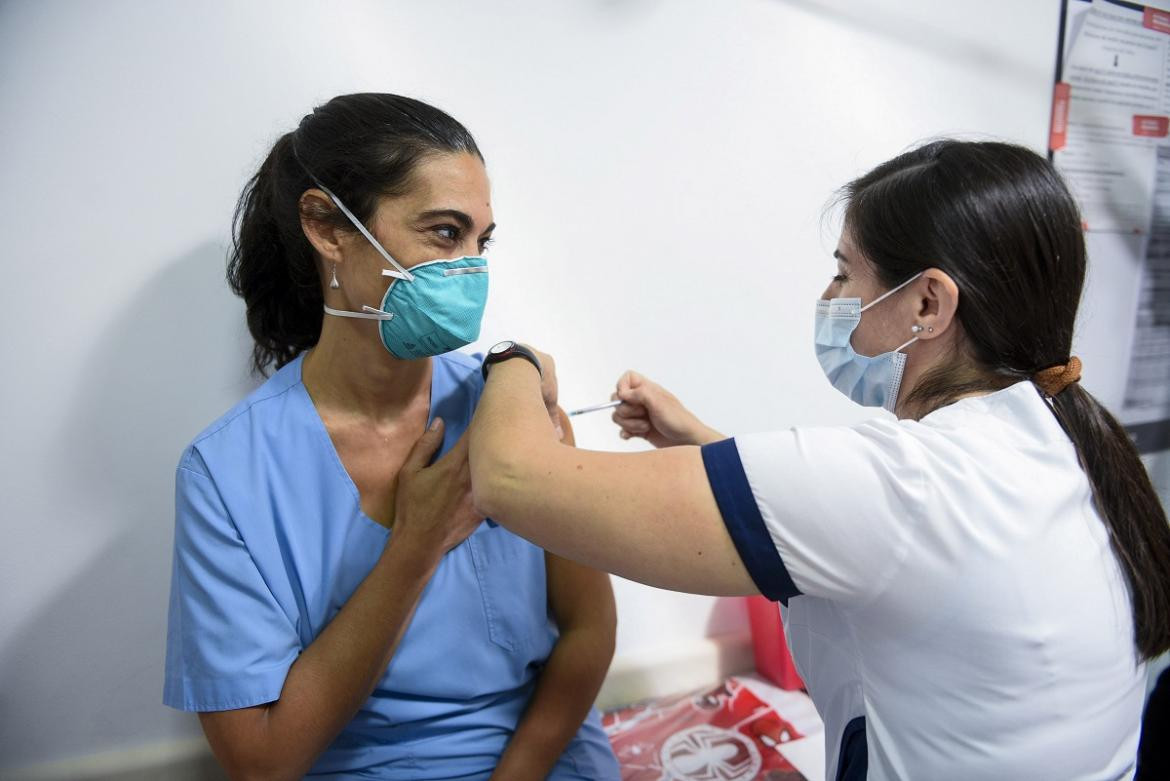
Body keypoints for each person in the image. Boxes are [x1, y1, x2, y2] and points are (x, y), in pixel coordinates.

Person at [467, 140, 1170, 779]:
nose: (828, 300)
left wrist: (512, 360)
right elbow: (854, 530)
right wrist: (697, 442)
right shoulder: (1056, 437)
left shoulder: (908, 481)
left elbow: (512, 478)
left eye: (843, 274)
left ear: (928, 301)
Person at [163, 93, 620, 781]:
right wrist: (416, 543)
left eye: (480, 240)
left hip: (541, 758)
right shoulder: (227, 473)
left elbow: (589, 626)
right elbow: (262, 762)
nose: (471, 267)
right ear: (326, 226)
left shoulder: (511, 402)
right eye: (444, 233)